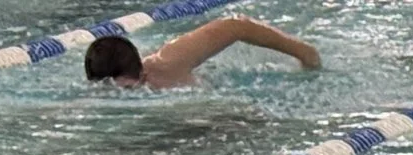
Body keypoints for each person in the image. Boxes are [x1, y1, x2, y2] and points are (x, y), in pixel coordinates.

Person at [84, 18, 320, 86]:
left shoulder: (170, 60)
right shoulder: (104, 89)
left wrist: (302, 51)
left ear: (140, 74)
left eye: (122, 87)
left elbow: (236, 26)